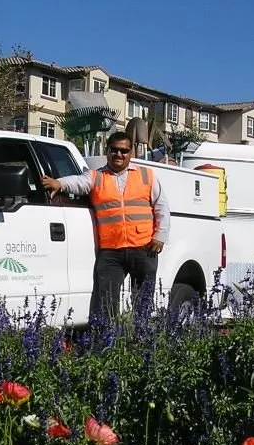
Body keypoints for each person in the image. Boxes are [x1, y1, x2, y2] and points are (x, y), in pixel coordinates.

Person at [41, 130, 170, 319]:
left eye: (124, 151)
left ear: (131, 153)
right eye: (114, 150)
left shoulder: (146, 176)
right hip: (111, 251)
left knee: (142, 302)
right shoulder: (96, 177)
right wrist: (59, 183)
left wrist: (160, 236)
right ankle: (106, 336)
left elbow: (162, 206)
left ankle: (140, 336)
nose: (119, 154)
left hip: (144, 248)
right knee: (105, 302)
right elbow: (78, 182)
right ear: (107, 151)